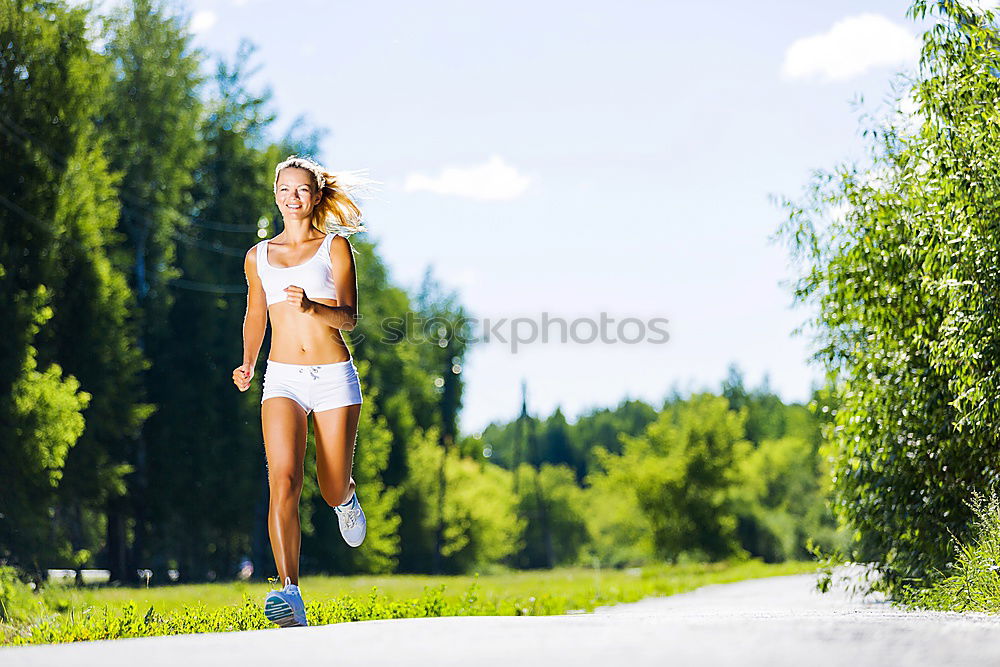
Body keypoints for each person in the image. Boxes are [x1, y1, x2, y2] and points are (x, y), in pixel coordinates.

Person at [233, 155, 373, 628]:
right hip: (282, 379)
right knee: (284, 480)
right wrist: (249, 360)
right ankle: (289, 592)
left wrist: (314, 306)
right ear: (275, 194)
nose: (293, 197)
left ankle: (345, 499)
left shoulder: (334, 248)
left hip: (334, 377)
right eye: (285, 189)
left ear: (315, 196)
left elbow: (350, 318)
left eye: (302, 189)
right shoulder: (259, 257)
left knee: (330, 483)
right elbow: (256, 314)